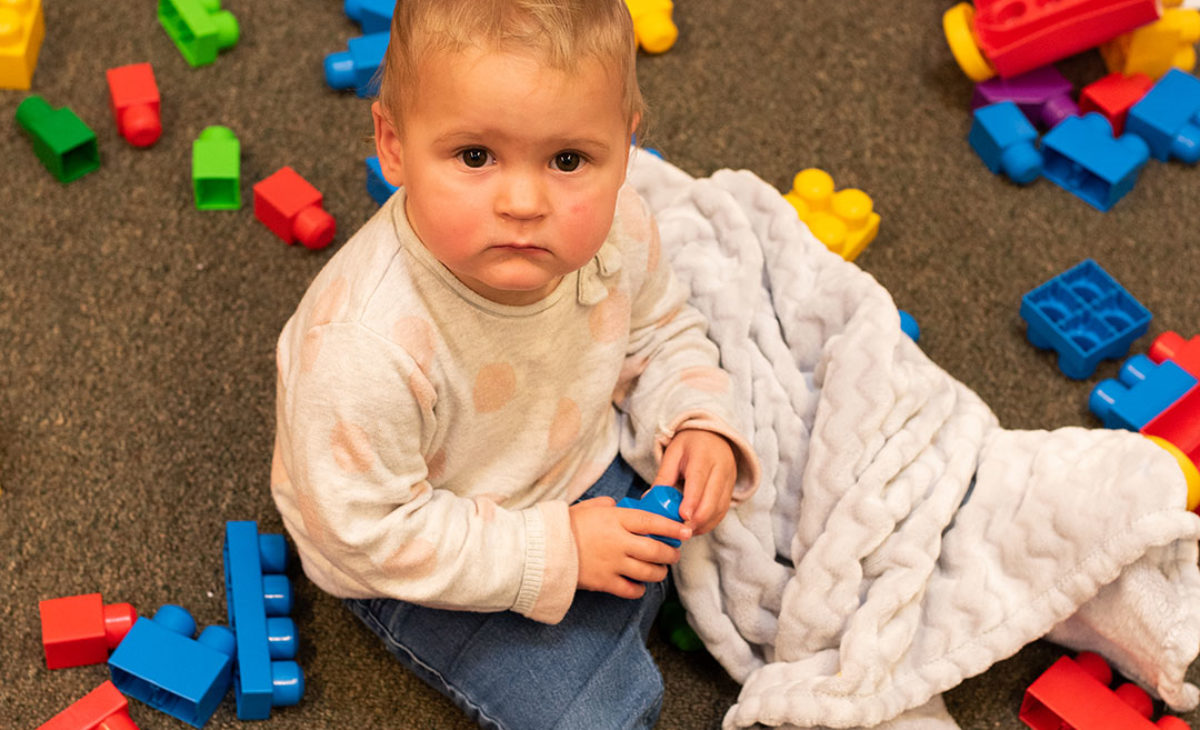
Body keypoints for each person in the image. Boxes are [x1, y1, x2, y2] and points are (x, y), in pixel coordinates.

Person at [271, 1, 760, 726]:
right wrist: (555, 550)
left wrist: (695, 419)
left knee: (754, 523)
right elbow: (367, 532)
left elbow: (660, 330)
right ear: (393, 143)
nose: (525, 203)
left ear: (625, 148)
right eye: (475, 156)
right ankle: (619, 619)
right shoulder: (364, 346)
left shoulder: (618, 225)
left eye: (569, 160)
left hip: (571, 467)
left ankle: (625, 600)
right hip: (421, 547)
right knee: (599, 712)